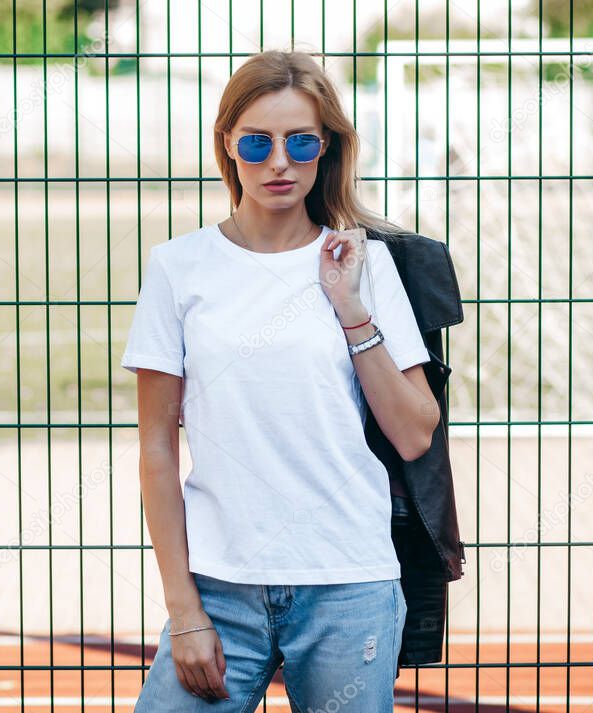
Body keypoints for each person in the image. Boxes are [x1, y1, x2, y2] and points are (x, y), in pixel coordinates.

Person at [121, 49, 441, 712]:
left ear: (325, 148)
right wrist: (184, 610)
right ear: (227, 145)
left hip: (346, 581)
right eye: (257, 142)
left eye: (300, 141)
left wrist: (351, 310)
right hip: (219, 586)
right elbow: (157, 445)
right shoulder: (179, 267)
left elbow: (414, 432)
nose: (279, 162)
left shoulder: (365, 264)